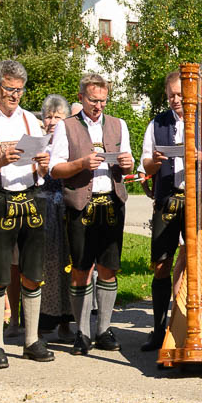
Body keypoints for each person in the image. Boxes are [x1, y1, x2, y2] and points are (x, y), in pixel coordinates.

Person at [0, 59, 53, 369]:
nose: (15, 96)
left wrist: (43, 162)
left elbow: (45, 169)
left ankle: (31, 339)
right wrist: (0, 162)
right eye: (9, 90)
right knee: (0, 273)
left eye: (19, 90)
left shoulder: (31, 120)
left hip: (32, 197)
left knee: (33, 272)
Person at [49, 73, 134, 354]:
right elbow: (55, 169)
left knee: (108, 268)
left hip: (111, 201)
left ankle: (104, 329)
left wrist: (126, 163)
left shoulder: (118, 125)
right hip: (81, 204)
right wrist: (81, 163)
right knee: (81, 269)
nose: (98, 106)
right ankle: (82, 332)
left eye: (103, 100)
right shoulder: (66, 127)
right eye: (93, 100)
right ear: (81, 97)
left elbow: (130, 167)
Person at [142, 72, 202, 350]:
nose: (176, 100)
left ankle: (195, 323)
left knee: (197, 262)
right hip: (168, 199)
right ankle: (158, 328)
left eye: (181, 95)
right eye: (171, 96)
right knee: (163, 264)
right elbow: (145, 167)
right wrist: (154, 162)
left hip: (198, 199)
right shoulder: (157, 123)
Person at [35, 95, 75, 344]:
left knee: (66, 265)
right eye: (48, 117)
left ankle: (65, 323)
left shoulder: (69, 142)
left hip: (65, 206)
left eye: (57, 117)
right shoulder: (36, 144)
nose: (52, 121)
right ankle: (38, 324)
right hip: (43, 207)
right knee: (43, 266)